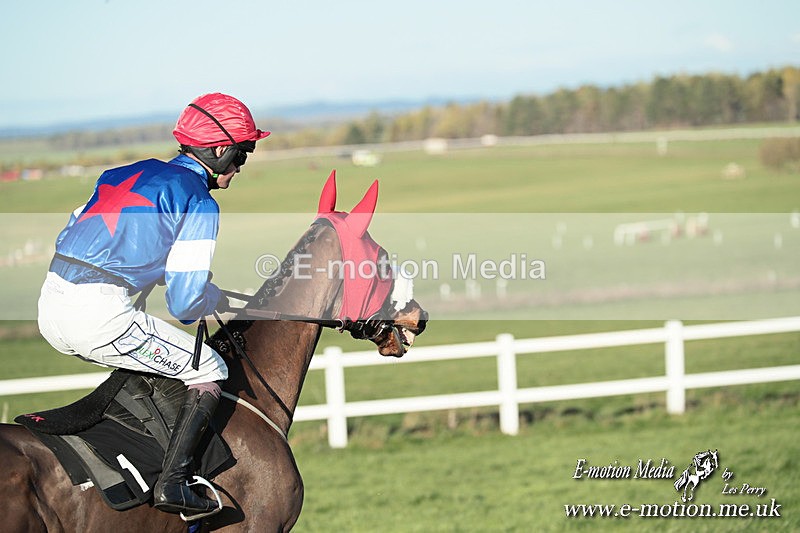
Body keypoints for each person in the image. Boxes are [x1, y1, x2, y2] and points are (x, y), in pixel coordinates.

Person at [37, 93, 270, 516]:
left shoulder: (122, 172)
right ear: (220, 149)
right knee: (210, 367)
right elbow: (184, 304)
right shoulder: (200, 201)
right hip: (100, 317)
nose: (240, 167)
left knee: (158, 358)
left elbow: (77, 238)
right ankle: (174, 484)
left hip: (50, 305)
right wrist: (207, 295)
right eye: (243, 152)